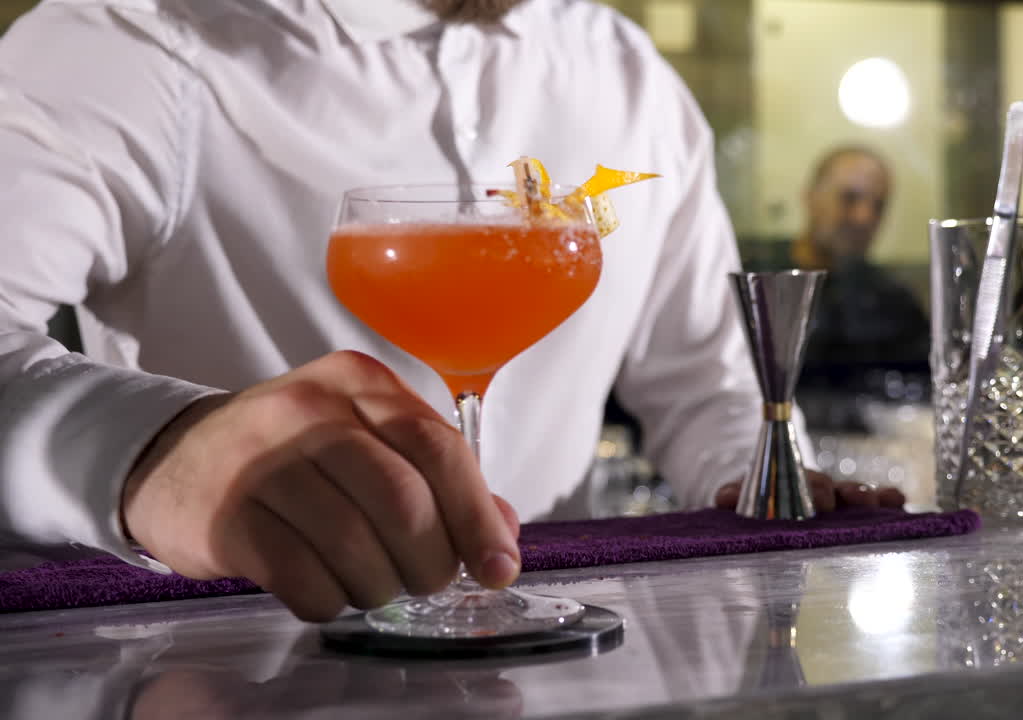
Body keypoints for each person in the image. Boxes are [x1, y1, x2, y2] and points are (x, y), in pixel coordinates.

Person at [0, 0, 901, 622]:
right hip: (241, 660)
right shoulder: (138, 39)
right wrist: (151, 451)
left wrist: (768, 479)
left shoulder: (624, 72)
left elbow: (703, 383)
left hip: (570, 659)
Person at [789, 145, 930, 421]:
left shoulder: (894, 301)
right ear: (810, 198)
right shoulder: (763, 286)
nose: (864, 217)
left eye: (878, 205)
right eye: (849, 198)